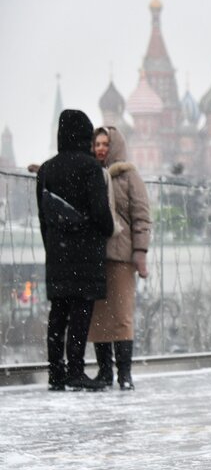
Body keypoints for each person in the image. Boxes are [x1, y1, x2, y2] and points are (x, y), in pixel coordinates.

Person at [36, 109, 115, 390]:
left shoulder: (45, 170)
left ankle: (56, 373)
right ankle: (76, 371)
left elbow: (44, 218)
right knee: (81, 314)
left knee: (57, 315)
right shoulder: (90, 167)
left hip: (57, 254)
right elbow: (101, 213)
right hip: (85, 254)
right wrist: (105, 230)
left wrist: (53, 248)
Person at [88, 126, 151, 390]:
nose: (101, 148)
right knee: (99, 316)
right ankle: (105, 372)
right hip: (95, 255)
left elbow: (142, 216)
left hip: (122, 257)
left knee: (122, 314)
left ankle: (124, 373)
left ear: (115, 146)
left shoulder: (128, 175)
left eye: (106, 143)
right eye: (97, 144)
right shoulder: (90, 174)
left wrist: (140, 252)